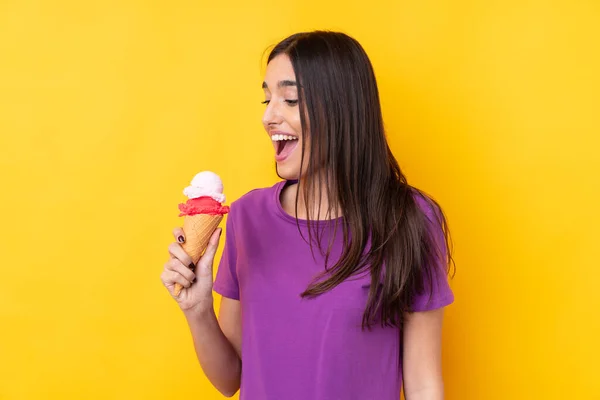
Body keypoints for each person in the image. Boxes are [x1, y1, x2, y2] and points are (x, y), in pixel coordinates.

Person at [161, 30, 455, 400]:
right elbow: (229, 379)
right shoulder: (247, 218)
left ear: (342, 109)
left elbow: (424, 384)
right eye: (267, 99)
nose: (269, 117)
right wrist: (197, 309)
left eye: (290, 99)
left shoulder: (408, 220)